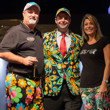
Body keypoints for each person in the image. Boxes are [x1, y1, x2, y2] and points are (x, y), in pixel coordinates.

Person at [0, 2, 44, 110]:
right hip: (19, 81)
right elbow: (2, 52)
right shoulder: (15, 31)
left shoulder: (39, 34)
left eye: (36, 13)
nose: (33, 15)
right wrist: (22, 60)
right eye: (30, 12)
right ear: (23, 14)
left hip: (36, 83)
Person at [43, 8, 83, 110]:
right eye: (60, 18)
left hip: (73, 89)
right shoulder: (46, 37)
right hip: (52, 88)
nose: (63, 20)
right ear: (56, 20)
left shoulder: (79, 39)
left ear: (69, 21)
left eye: (66, 18)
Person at [80, 14, 110, 110]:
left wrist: (104, 84)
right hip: (85, 87)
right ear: (83, 27)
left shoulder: (104, 41)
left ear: (96, 26)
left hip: (100, 86)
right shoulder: (83, 44)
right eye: (86, 24)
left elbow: (108, 63)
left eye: (91, 24)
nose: (88, 26)